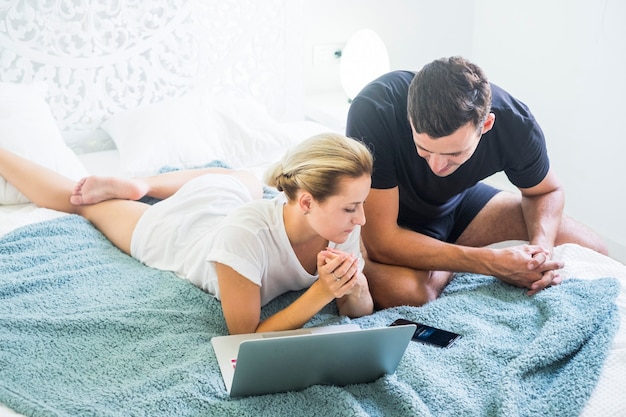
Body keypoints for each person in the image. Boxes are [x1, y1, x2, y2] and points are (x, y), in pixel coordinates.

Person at [0, 132, 374, 334]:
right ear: (306, 202)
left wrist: (355, 287)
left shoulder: (341, 225)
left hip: (226, 198)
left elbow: (357, 312)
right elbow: (246, 336)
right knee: (79, 201)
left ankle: (140, 183)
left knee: (242, 178)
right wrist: (320, 292)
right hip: (180, 235)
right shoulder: (244, 237)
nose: (361, 220)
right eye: (350, 207)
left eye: (360, 204)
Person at [346, 56, 608, 310]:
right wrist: (491, 262)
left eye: (454, 155)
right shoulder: (374, 108)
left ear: (486, 125)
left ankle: (443, 262)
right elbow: (383, 241)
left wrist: (539, 253)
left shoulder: (515, 122)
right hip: (391, 221)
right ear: (409, 119)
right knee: (410, 293)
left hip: (459, 205)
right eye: (424, 149)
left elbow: (546, 191)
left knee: (593, 247)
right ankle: (431, 261)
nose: (437, 167)